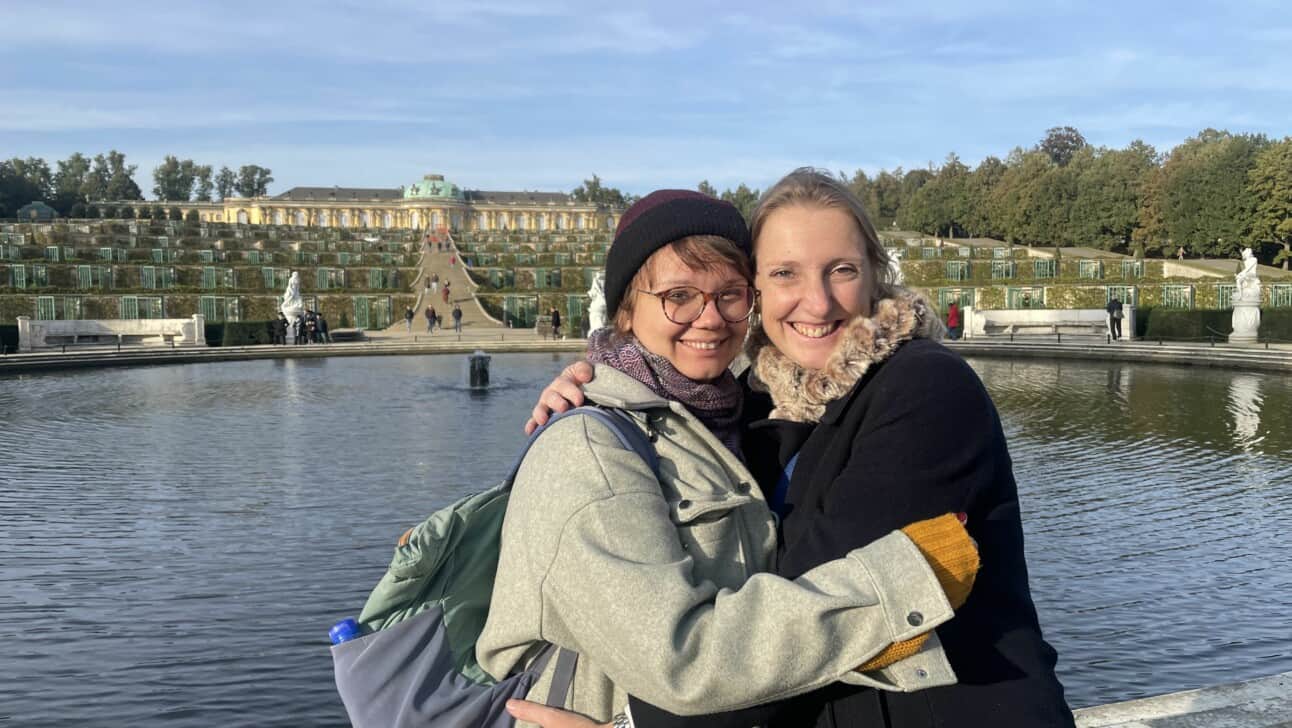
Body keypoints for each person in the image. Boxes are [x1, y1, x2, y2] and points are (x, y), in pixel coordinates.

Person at [519, 171, 1073, 728]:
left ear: (875, 275)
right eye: (786, 273)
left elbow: (800, 604)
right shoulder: (753, 405)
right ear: (761, 288)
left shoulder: (926, 389)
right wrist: (597, 397)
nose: (817, 300)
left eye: (842, 270)